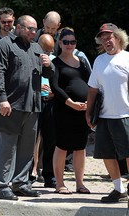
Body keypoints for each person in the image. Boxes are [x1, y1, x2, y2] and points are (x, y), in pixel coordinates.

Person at [0, 15, 55, 200]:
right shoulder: (4, 45)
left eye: (35, 29)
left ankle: (20, 183)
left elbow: (48, 74)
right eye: (30, 29)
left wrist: (49, 65)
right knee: (7, 147)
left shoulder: (36, 47)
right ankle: (3, 185)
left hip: (33, 105)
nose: (34, 32)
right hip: (11, 105)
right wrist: (2, 99)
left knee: (27, 148)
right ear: (18, 27)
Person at [86, 23, 129, 203]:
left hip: (125, 115)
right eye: (103, 39)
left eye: (109, 37)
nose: (106, 42)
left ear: (118, 38)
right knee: (106, 154)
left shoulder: (127, 58)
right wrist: (88, 113)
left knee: (128, 154)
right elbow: (93, 89)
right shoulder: (99, 60)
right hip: (104, 116)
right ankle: (119, 189)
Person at [50, 28, 91, 194]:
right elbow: (55, 87)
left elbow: (91, 83)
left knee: (81, 147)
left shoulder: (82, 63)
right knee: (62, 146)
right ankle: (59, 183)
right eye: (66, 42)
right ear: (60, 43)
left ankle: (80, 183)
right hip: (64, 110)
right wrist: (70, 102)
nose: (69, 45)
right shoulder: (56, 63)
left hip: (82, 110)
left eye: (72, 42)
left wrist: (90, 102)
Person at [29, 34, 57, 188]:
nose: (48, 54)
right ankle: (29, 173)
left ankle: (49, 175)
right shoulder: (31, 57)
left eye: (50, 51)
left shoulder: (53, 60)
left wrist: (54, 91)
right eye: (45, 50)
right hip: (35, 101)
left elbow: (58, 81)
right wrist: (38, 88)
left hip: (50, 101)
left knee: (50, 140)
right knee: (31, 139)